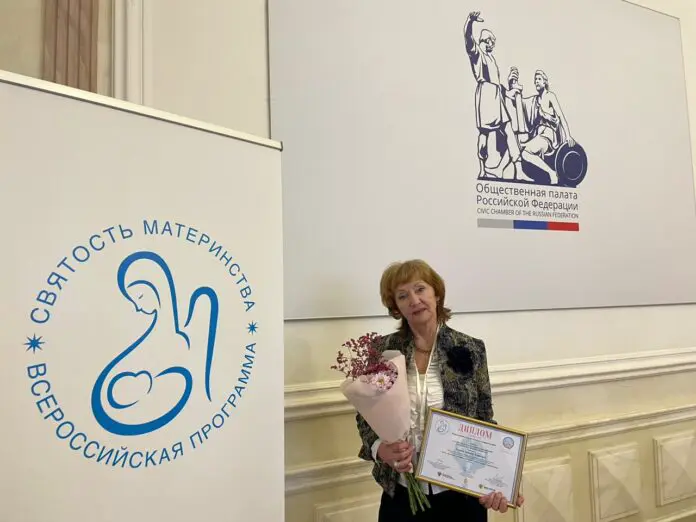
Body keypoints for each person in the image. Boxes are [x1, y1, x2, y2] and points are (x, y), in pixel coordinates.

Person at [354, 259, 524, 521]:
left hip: (460, 495)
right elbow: (365, 415)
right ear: (396, 307)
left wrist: (499, 479)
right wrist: (379, 449)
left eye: (420, 289)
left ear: (436, 294)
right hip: (401, 493)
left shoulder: (471, 348)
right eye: (402, 295)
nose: (414, 300)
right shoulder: (382, 350)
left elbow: (484, 419)